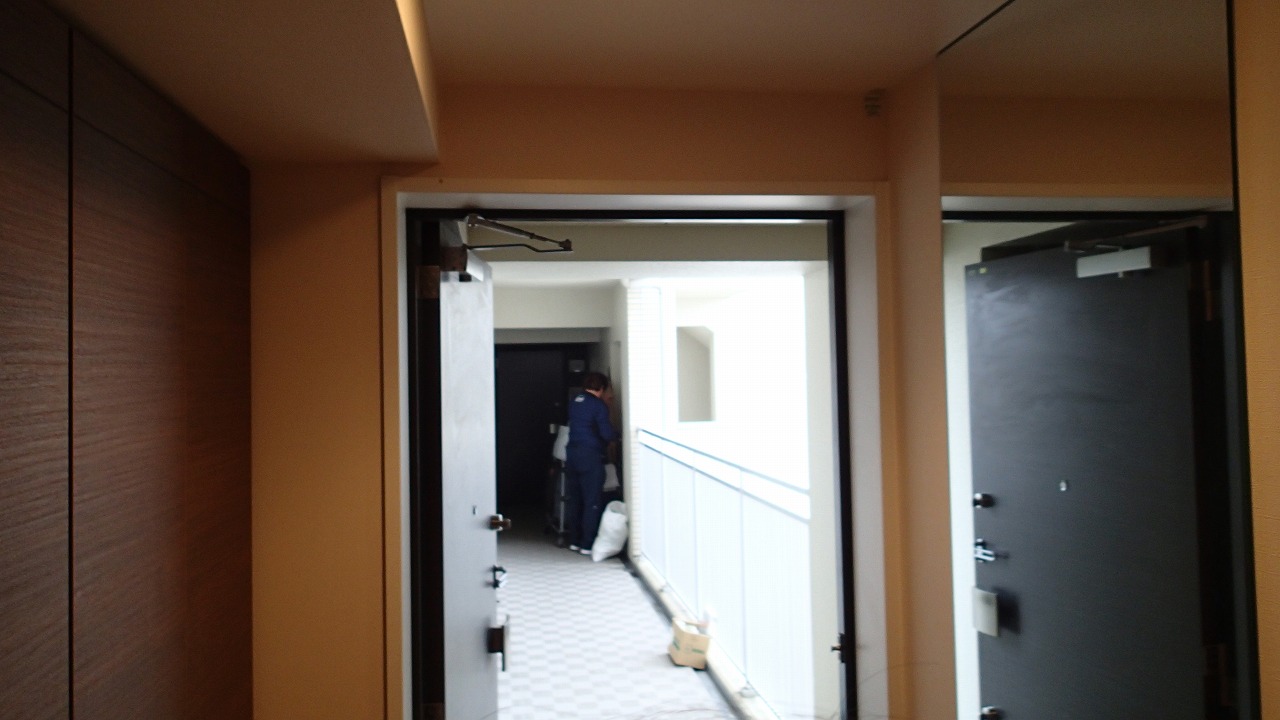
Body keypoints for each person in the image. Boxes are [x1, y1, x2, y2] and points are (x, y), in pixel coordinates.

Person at [564, 372, 618, 555]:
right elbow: (606, 433)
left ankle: (574, 541)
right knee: (591, 501)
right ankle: (587, 544)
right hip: (589, 456)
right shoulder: (598, 405)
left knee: (575, 499)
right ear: (601, 388)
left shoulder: (574, 401)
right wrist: (616, 435)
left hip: (572, 454)